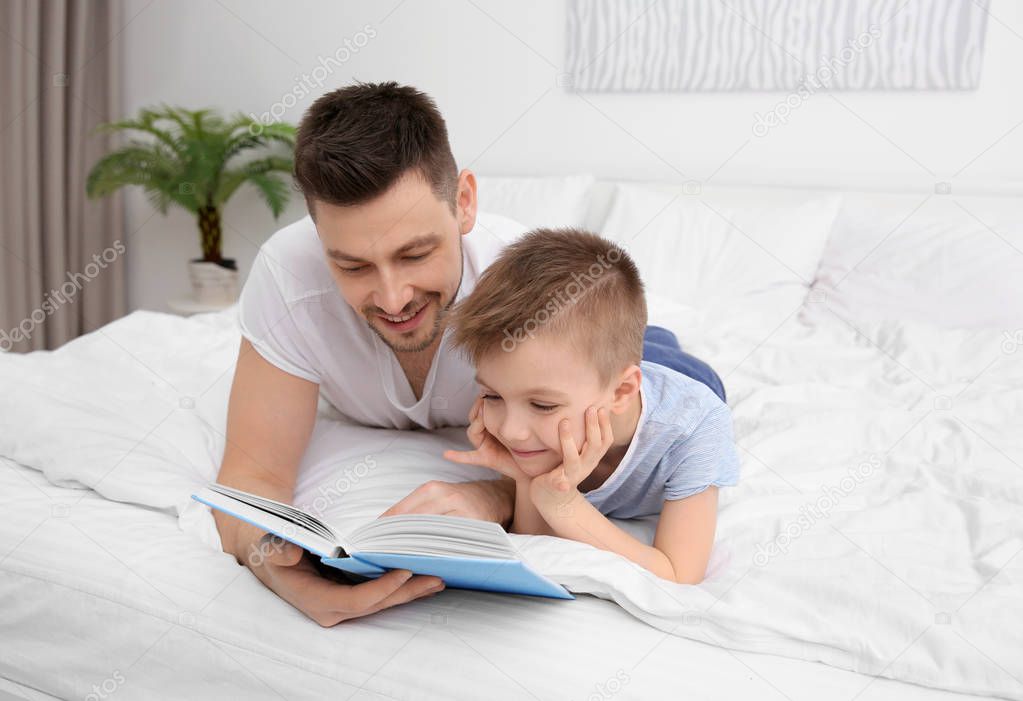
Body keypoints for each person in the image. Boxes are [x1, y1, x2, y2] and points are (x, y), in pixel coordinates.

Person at [215, 81, 727, 625]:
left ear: (464, 203)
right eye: (352, 266)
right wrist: (280, 570)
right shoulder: (288, 278)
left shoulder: (523, 285)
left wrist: (494, 495)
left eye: (416, 253)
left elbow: (587, 461)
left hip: (656, 364)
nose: (393, 299)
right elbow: (251, 479)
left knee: (664, 365)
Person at [443, 228, 740, 584]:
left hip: (681, 373)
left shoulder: (695, 428)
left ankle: (657, 336)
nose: (510, 430)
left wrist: (566, 506)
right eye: (492, 396)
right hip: (610, 372)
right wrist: (526, 477)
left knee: (658, 347)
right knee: (613, 348)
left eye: (542, 404)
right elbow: (533, 540)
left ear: (621, 391)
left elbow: (678, 574)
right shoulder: (540, 415)